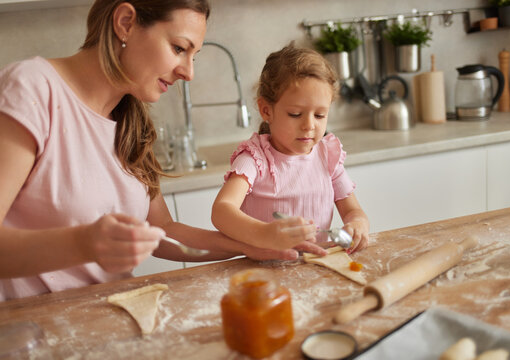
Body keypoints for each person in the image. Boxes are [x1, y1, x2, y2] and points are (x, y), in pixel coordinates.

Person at [0, 0, 299, 301]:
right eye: (179, 48)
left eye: (194, 55)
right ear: (126, 22)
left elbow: (163, 230)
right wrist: (83, 243)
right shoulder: (32, 89)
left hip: (111, 318)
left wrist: (247, 246)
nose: (188, 73)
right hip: (37, 332)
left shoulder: (131, 121)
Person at [212, 44, 370, 256]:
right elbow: (222, 211)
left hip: (317, 269)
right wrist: (264, 233)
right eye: (296, 114)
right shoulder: (255, 159)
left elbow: (352, 211)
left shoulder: (327, 156)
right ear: (266, 110)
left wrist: (357, 224)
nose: (309, 125)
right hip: (263, 273)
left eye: (320, 115)